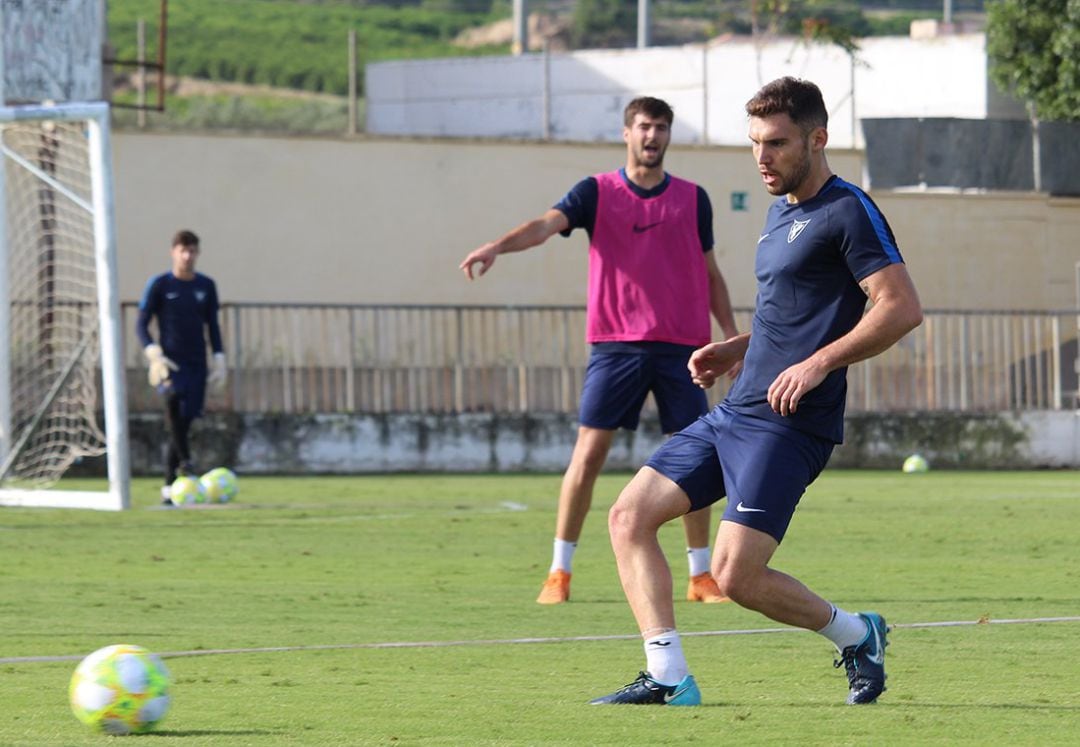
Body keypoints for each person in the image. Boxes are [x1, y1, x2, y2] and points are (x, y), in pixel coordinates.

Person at [589, 77, 923, 706]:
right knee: (628, 516)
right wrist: (734, 349)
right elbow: (789, 314)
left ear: (817, 139)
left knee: (735, 576)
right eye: (754, 144)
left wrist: (819, 363)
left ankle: (856, 634)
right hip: (735, 411)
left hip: (791, 423)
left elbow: (900, 308)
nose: (762, 157)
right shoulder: (779, 215)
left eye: (776, 143)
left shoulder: (849, 210)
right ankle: (667, 677)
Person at [460, 96, 740, 605]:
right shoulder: (596, 192)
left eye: (660, 128)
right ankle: (559, 572)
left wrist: (732, 336)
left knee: (697, 456)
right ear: (626, 133)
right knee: (588, 455)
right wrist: (497, 246)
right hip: (616, 345)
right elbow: (545, 225)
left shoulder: (694, 199)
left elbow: (711, 272)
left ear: (668, 136)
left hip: (683, 345)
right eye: (643, 127)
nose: (652, 136)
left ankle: (701, 577)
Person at [136, 229, 226, 505]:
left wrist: (220, 357)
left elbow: (212, 325)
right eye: (182, 250)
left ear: (197, 253)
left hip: (197, 363)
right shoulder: (160, 285)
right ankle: (187, 463)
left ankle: (168, 487)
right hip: (169, 365)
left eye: (192, 251)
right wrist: (152, 351)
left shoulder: (206, 286)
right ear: (173, 252)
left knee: (184, 424)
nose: (187, 256)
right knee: (173, 406)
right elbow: (141, 324)